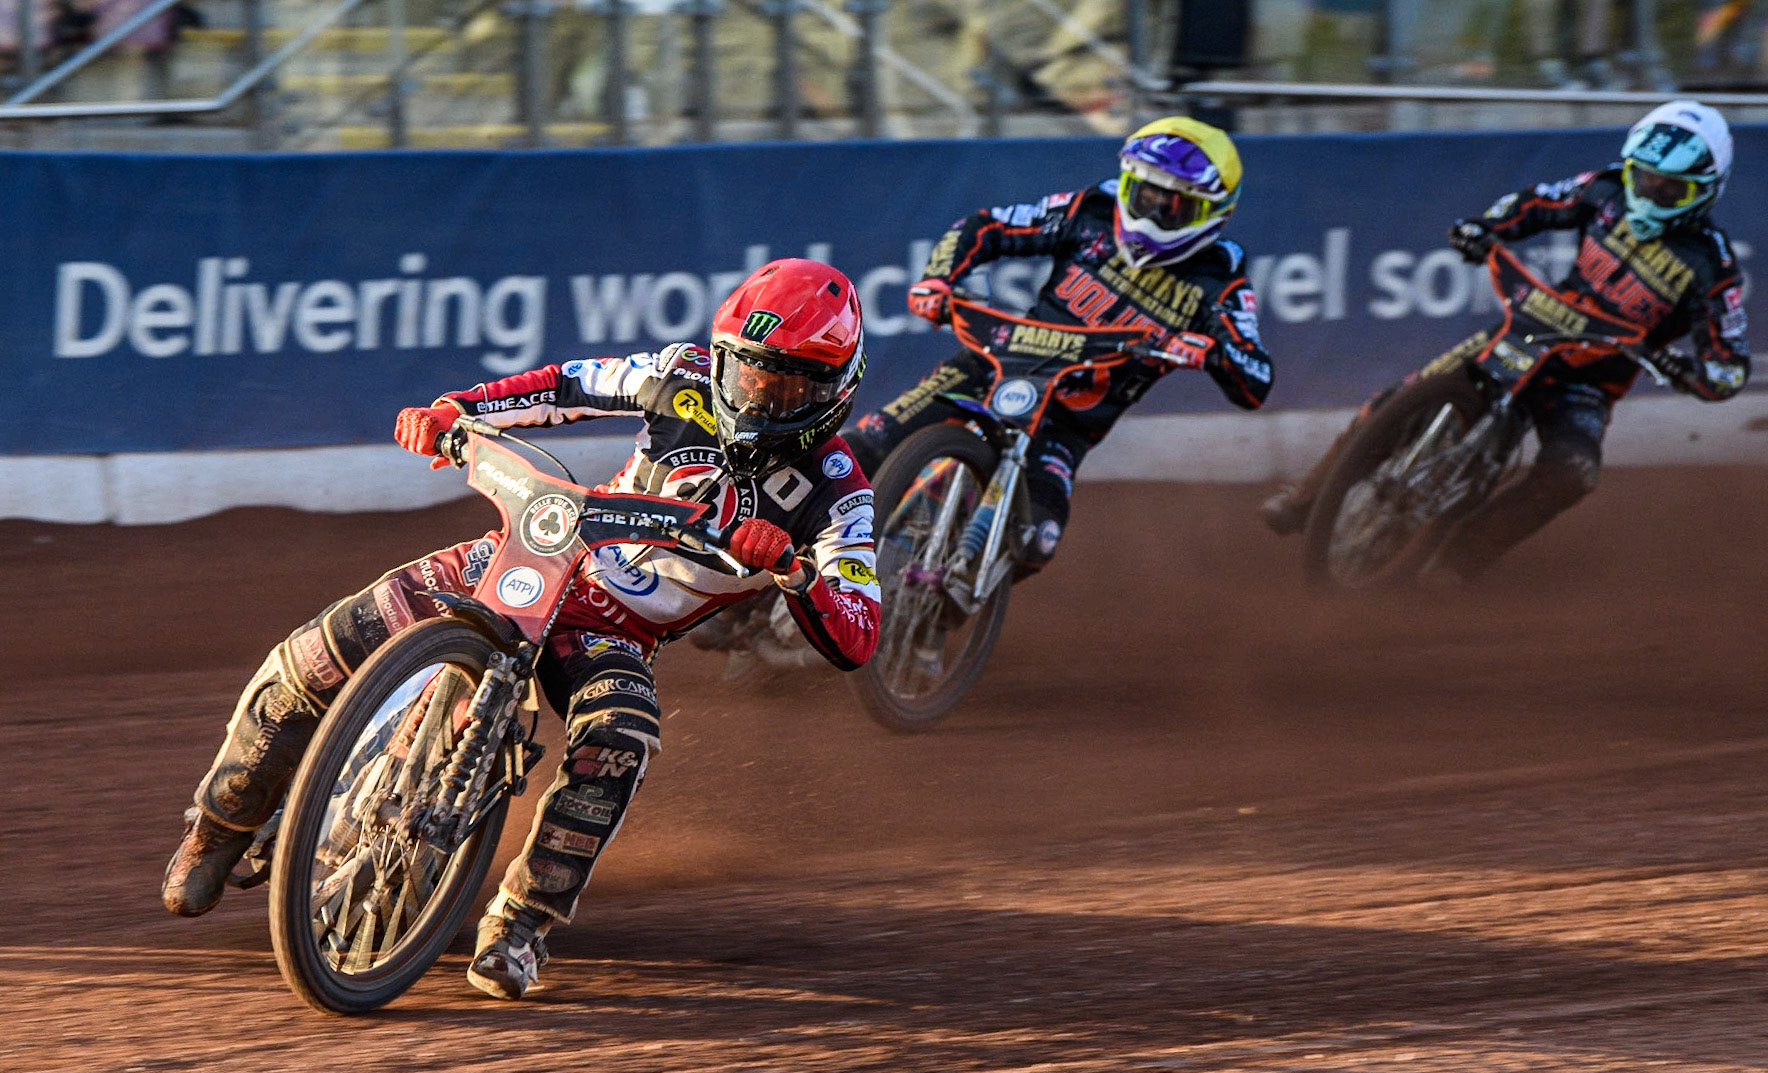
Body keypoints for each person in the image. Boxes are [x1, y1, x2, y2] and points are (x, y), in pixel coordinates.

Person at [162, 258, 881, 1001]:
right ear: (721, 357)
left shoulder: (839, 494)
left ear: (836, 390)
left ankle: (523, 923)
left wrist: (798, 572)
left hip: (615, 633)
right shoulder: (677, 373)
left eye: (790, 384)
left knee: (620, 735)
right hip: (533, 553)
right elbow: (567, 384)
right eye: (749, 372)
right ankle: (219, 825)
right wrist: (458, 410)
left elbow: (859, 631)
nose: (761, 395)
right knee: (327, 645)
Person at [1262, 100, 1751, 580]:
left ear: (1707, 191)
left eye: (1670, 188)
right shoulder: (1605, 190)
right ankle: (1307, 498)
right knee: (1400, 398)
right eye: (1645, 177)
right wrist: (1485, 227)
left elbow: (1729, 365)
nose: (1651, 192)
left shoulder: (1713, 267)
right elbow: (1538, 202)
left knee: (1574, 472)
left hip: (1588, 381)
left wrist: (1694, 373)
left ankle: (1459, 560)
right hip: (1532, 326)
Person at [842, 116, 1273, 576]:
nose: (1151, 214)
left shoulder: (1221, 277)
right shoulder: (1091, 210)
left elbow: (1257, 377)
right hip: (991, 364)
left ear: (1213, 212)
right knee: (865, 445)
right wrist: (937, 279)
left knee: (1037, 542)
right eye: (1145, 195)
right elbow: (987, 226)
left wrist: (1210, 352)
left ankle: (942, 612)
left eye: (1173, 206)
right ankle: (779, 570)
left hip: (1065, 425)